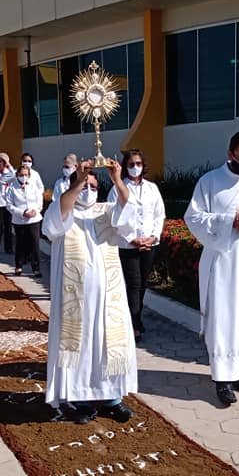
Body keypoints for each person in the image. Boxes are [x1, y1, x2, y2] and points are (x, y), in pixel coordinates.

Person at [42, 158, 136, 424]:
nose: (89, 190)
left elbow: (130, 217)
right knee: (80, 346)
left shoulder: (106, 210)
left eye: (94, 186)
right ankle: (79, 399)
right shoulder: (64, 210)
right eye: (85, 185)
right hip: (76, 301)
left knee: (108, 345)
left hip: (108, 298)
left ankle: (112, 399)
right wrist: (79, 181)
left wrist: (117, 179)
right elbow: (51, 227)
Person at [184, 130, 239, 406]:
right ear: (230, 154)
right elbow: (193, 217)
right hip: (219, 262)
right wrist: (227, 222)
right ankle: (221, 379)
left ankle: (236, 372)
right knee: (222, 318)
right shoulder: (210, 182)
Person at [108, 149, 166, 343]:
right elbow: (112, 218)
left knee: (142, 284)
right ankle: (133, 323)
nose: (135, 168)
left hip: (149, 244)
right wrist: (132, 238)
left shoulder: (152, 188)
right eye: (131, 164)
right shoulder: (117, 188)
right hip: (127, 245)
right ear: (125, 166)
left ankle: (136, 317)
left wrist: (152, 237)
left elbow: (159, 214)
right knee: (133, 284)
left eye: (138, 164)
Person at [6, 163, 43, 276]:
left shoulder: (33, 186)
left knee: (34, 243)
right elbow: (9, 205)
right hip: (19, 219)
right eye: (22, 175)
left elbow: (39, 201)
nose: (24, 177)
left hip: (34, 219)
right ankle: (18, 265)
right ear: (17, 175)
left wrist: (35, 211)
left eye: (26, 175)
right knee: (20, 243)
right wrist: (22, 212)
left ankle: (36, 268)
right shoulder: (12, 188)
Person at [0, 153, 15, 254]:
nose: (2, 163)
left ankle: (8, 248)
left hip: (8, 203)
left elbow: (16, 177)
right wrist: (2, 182)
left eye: (4, 161)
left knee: (8, 227)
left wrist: (9, 166)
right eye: (0, 161)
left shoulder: (10, 172)